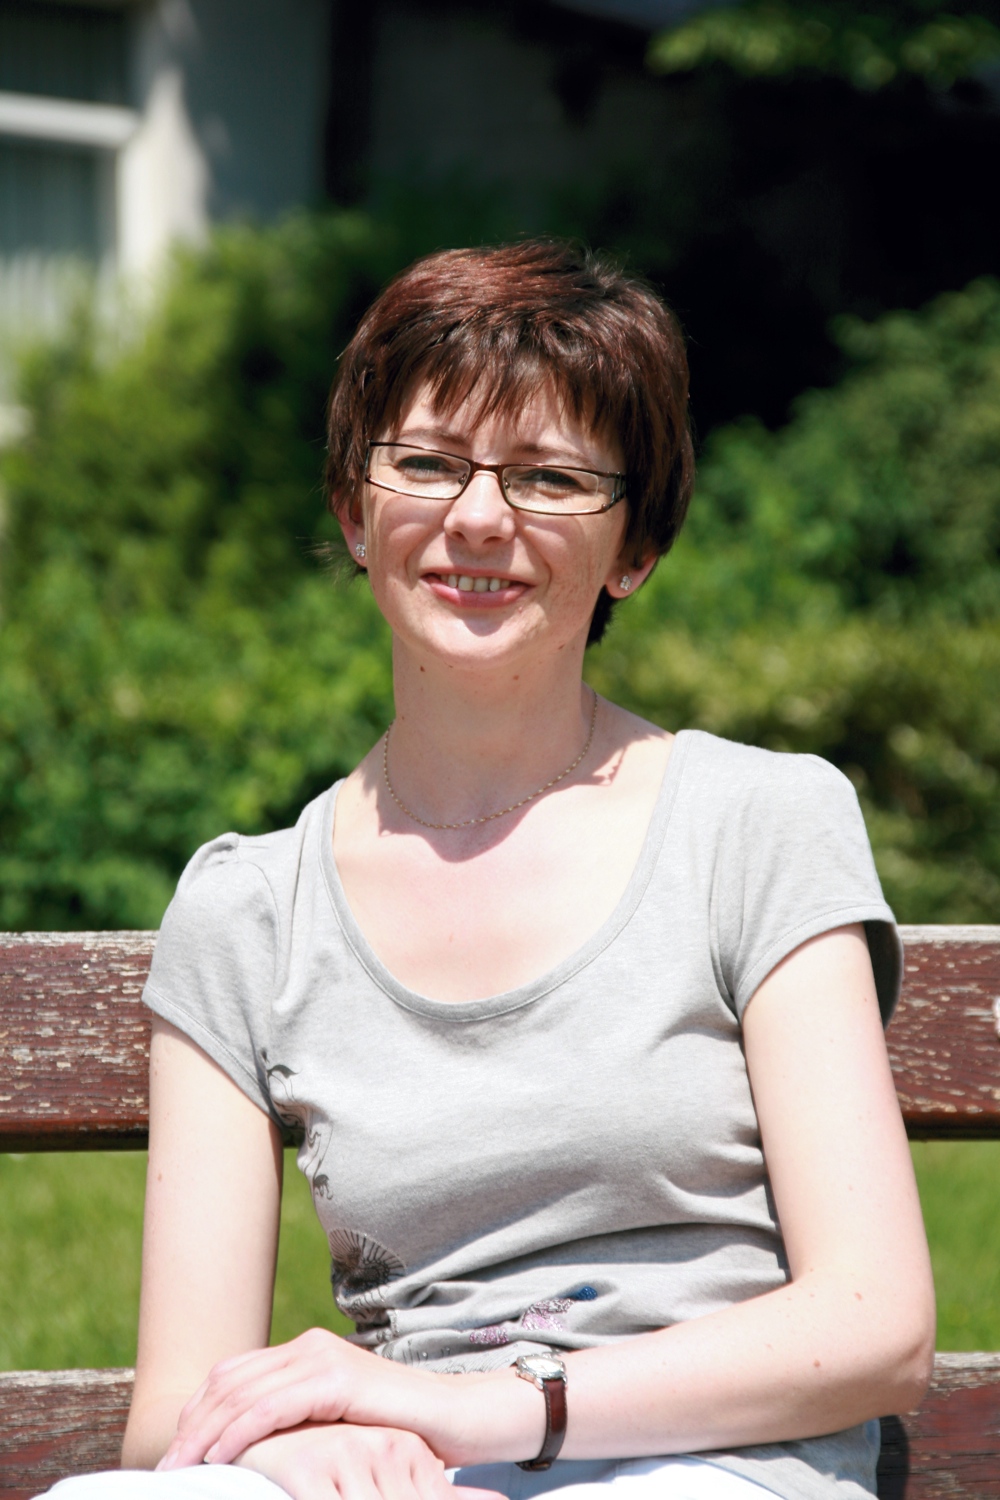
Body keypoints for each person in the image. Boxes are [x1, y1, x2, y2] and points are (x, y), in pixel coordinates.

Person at [43, 240, 934, 1500]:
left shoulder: (756, 823)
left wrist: (478, 1411)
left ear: (634, 549)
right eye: (425, 463)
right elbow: (172, 1414)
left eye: (549, 476)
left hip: (708, 1467)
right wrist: (300, 1439)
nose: (476, 517)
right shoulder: (247, 908)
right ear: (355, 513)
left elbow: (875, 1325)